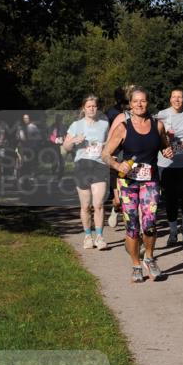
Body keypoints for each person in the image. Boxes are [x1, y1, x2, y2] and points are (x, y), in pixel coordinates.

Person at [102, 87, 173, 283]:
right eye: (135, 101)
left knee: (149, 223)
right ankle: (135, 265)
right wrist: (118, 164)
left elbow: (165, 146)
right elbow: (105, 154)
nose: (139, 104)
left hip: (150, 180)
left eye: (143, 101)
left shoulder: (158, 125)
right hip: (128, 182)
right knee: (132, 226)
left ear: (147, 103)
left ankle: (149, 258)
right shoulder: (123, 127)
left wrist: (167, 152)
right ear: (130, 105)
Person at [63, 95, 110, 250]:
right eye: (88, 106)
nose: (91, 109)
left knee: (99, 204)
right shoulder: (76, 125)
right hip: (81, 166)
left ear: (97, 108)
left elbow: (109, 144)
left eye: (94, 106)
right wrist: (73, 141)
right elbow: (65, 148)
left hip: (99, 165)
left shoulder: (104, 125)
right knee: (85, 206)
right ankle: (88, 236)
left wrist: (109, 151)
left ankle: (100, 237)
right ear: (83, 108)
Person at [157, 88, 183, 245]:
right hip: (167, 165)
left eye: (180, 97)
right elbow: (155, 135)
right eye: (174, 97)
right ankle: (173, 231)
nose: (177, 100)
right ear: (170, 99)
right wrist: (164, 142)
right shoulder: (162, 114)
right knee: (171, 199)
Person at [105, 88, 128, 229]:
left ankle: (131, 229)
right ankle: (115, 209)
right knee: (118, 200)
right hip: (115, 157)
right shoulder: (111, 113)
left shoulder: (136, 112)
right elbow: (107, 133)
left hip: (129, 157)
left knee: (128, 197)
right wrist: (109, 151)